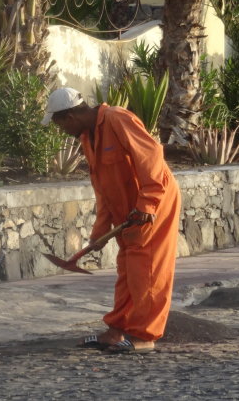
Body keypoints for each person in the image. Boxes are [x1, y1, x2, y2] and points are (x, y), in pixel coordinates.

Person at [41, 87, 181, 353]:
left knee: (147, 268)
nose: (60, 130)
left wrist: (148, 203)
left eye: (59, 124)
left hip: (155, 202)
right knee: (127, 268)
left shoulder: (117, 118)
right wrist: (99, 232)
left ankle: (144, 335)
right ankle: (117, 330)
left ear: (69, 116)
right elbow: (103, 188)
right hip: (129, 209)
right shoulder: (88, 138)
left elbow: (151, 157)